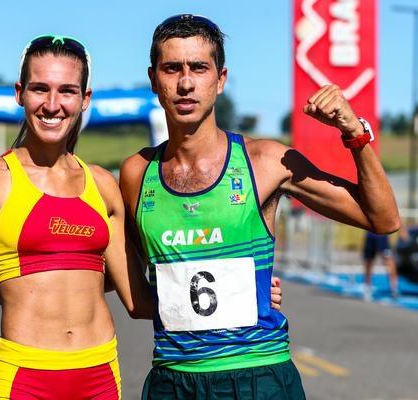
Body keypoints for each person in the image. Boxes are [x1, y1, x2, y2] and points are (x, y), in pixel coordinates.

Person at [0, 35, 283, 398]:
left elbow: (139, 299)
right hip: (24, 377)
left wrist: (242, 293)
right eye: (40, 89)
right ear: (19, 93)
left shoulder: (102, 185)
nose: (52, 104)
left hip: (100, 375)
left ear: (84, 99)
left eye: (67, 91)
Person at [119, 14, 400, 399]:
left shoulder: (266, 161)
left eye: (199, 68)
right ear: (154, 79)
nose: (186, 83)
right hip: (173, 379)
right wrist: (240, 291)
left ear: (220, 79)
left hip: (257, 378)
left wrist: (354, 133)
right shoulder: (137, 173)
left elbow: (383, 218)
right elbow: (137, 294)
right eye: (172, 69)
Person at [363, 231, 399, 301]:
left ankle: (394, 288)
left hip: (382, 236)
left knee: (389, 261)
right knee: (368, 262)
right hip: (370, 236)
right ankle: (367, 288)